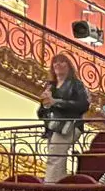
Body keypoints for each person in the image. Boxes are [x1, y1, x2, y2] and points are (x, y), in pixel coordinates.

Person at [37, 53, 89, 183]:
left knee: (54, 157)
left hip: (69, 126)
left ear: (69, 66)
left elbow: (83, 105)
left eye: (62, 61)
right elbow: (42, 110)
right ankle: (60, 185)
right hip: (53, 126)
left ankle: (50, 188)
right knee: (57, 157)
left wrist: (56, 102)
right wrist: (44, 104)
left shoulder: (76, 84)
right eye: (55, 62)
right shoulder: (51, 85)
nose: (58, 64)